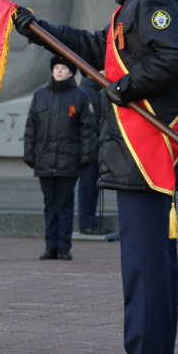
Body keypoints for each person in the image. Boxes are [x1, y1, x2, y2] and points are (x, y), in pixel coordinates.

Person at [13, 0, 178, 354]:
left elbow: (176, 55)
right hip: (140, 154)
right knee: (150, 266)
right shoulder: (137, 5)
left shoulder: (152, 3)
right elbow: (99, 50)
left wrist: (126, 87)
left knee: (144, 267)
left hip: (145, 153)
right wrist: (39, 30)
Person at [23, 56, 98, 261]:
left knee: (64, 204)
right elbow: (31, 128)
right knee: (50, 204)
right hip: (45, 160)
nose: (59, 71)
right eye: (56, 67)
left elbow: (88, 130)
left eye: (64, 68)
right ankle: (50, 247)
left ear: (72, 73)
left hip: (69, 160)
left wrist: (85, 157)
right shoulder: (40, 95)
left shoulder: (80, 96)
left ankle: (64, 247)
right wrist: (30, 155)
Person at [76, 70, 108, 235]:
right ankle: (86, 223)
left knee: (92, 186)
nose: (104, 72)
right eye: (100, 70)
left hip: (93, 148)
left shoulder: (94, 91)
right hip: (88, 149)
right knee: (88, 186)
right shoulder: (87, 92)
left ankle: (90, 222)